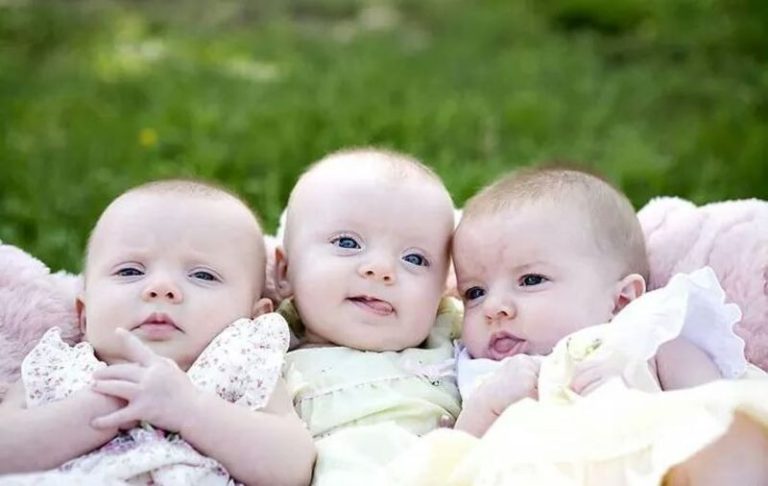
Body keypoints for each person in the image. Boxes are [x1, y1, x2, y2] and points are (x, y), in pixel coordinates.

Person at [387, 167, 768, 485]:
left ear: (621, 301)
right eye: (474, 292)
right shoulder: (476, 369)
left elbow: (718, 403)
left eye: (531, 280)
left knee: (731, 443)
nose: (494, 308)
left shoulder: (647, 335)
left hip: (647, 468)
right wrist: (486, 406)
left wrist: (638, 398)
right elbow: (453, 458)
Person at [0, 179, 316, 485]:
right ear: (84, 315)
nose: (161, 288)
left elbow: (292, 467)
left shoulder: (244, 367)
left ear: (254, 319)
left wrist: (190, 409)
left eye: (203, 275)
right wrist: (97, 410)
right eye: (130, 271)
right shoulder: (55, 366)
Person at [273, 148, 462, 485]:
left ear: (443, 289)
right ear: (283, 271)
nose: (381, 268)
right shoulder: (264, 347)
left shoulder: (453, 330)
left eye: (415, 259)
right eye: (347, 242)